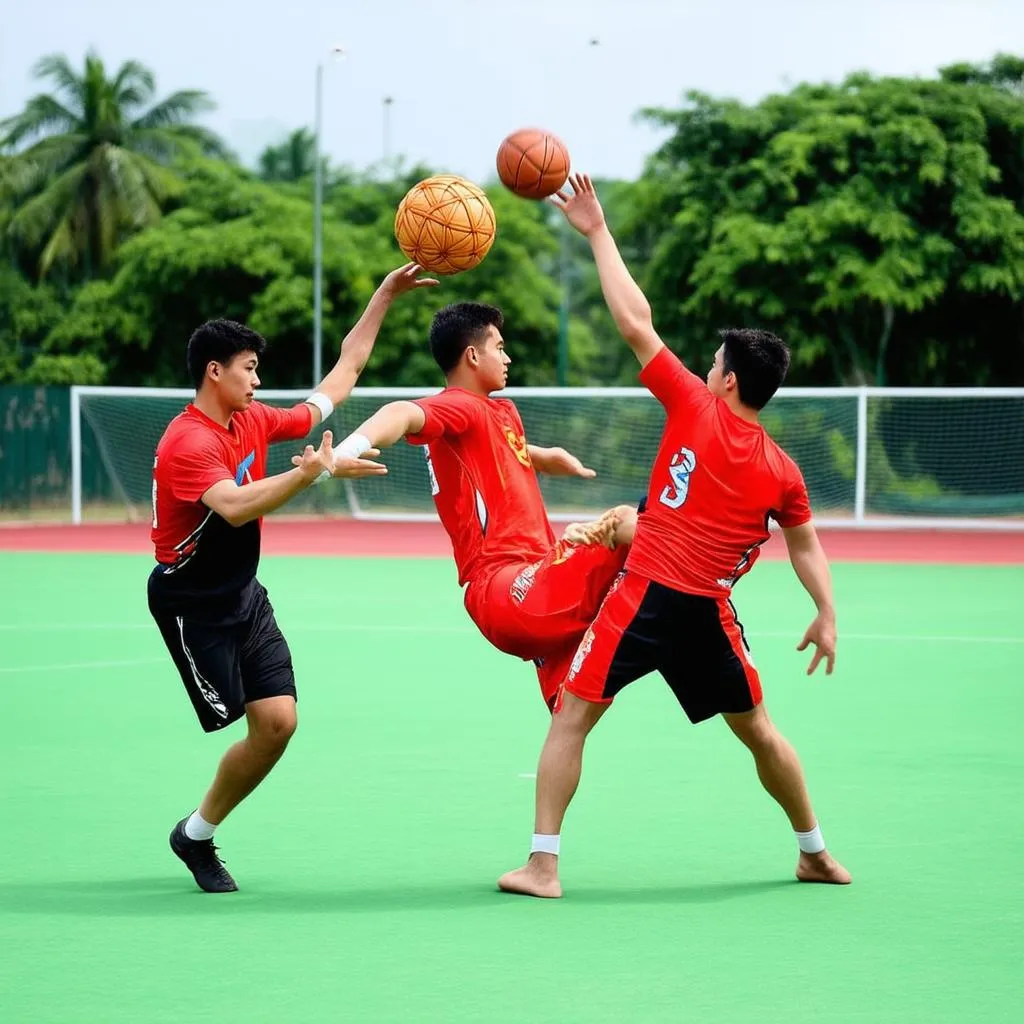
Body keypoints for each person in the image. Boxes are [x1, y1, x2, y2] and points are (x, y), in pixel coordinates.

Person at [497, 175, 850, 899]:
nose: (707, 367)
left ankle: (543, 866)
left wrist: (597, 231)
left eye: (715, 362)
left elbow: (634, 322)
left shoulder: (693, 404)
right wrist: (827, 612)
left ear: (724, 381)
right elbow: (807, 547)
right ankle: (813, 851)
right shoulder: (784, 471)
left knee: (572, 717)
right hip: (709, 615)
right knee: (759, 731)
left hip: (645, 597)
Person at [149, 263, 435, 893]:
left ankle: (193, 834)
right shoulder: (187, 444)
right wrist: (311, 475)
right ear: (214, 372)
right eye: (248, 367)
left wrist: (383, 295)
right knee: (234, 719)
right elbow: (234, 505)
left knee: (279, 723)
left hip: (243, 593)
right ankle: (195, 830)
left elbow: (342, 379)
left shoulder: (252, 419)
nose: (258, 378)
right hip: (191, 602)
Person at [318, 301, 637, 710]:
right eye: (499, 347)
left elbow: (495, 447)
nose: (507, 357)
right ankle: (697, 571)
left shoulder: (495, 412)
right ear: (472, 355)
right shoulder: (460, 405)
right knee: (626, 523)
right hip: (510, 588)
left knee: (571, 722)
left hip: (533, 583)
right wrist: (347, 450)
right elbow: (399, 412)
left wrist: (541, 457)